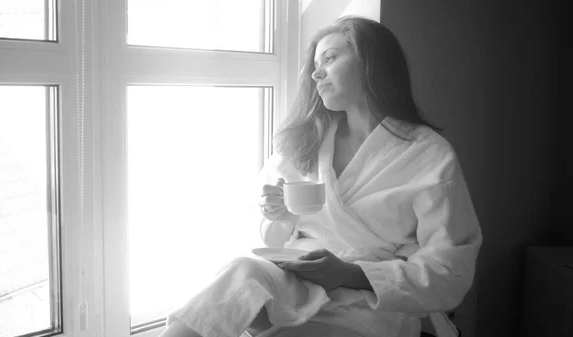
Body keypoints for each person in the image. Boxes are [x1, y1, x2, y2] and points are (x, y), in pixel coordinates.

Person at [159, 16, 482, 337]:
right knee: (238, 275)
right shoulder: (303, 144)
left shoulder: (427, 154)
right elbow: (264, 241)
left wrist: (348, 274)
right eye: (315, 64)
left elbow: (448, 269)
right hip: (292, 283)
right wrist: (281, 216)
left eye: (330, 58)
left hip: (370, 300)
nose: (316, 73)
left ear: (372, 62)